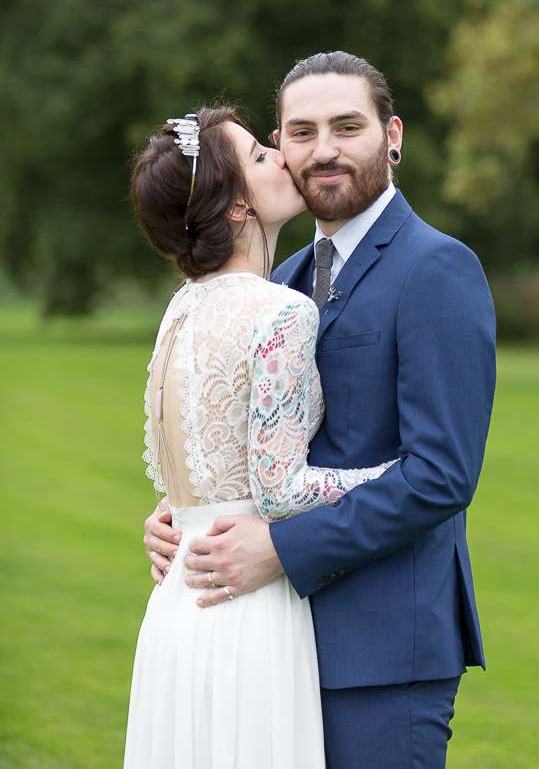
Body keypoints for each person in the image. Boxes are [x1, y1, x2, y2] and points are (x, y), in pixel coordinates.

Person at [144, 52, 497, 768]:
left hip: (384, 650)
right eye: (302, 133)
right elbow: (249, 436)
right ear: (281, 146)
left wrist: (281, 549)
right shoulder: (281, 281)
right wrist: (185, 515)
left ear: (391, 136)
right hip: (270, 641)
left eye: (347, 126)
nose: (324, 149)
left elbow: (441, 476)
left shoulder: (437, 268)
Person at [123, 103, 397, 768]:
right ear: (238, 207)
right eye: (259, 155)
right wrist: (391, 472)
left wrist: (171, 516)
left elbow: (198, 461)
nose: (281, 154)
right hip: (246, 601)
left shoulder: (181, 307)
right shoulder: (281, 311)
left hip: (178, 602)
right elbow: (278, 491)